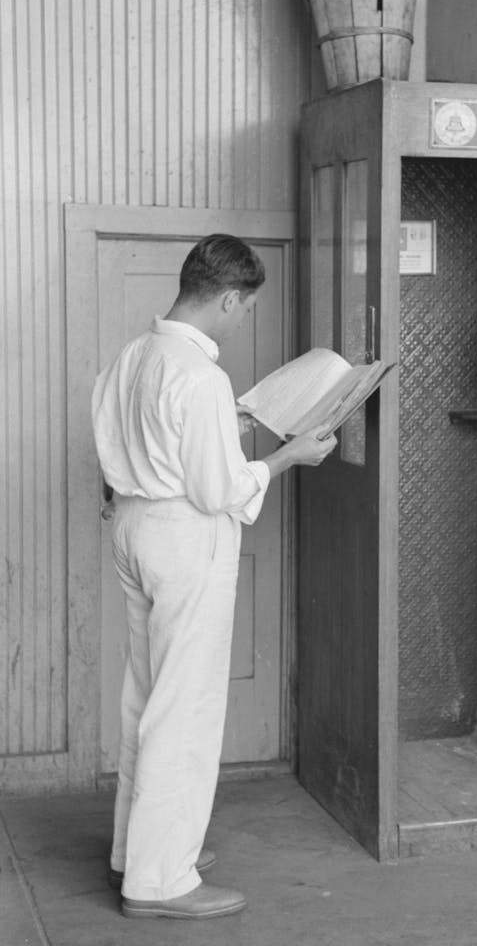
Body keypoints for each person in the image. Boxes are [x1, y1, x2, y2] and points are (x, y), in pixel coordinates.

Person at [91, 234, 336, 920]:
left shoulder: (136, 355)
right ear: (229, 296)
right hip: (184, 538)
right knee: (186, 708)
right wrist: (290, 456)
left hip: (135, 525)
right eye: (245, 306)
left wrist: (229, 422)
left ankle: (135, 854)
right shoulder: (200, 375)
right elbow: (219, 489)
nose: (242, 317)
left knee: (147, 696)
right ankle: (161, 882)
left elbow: (143, 436)